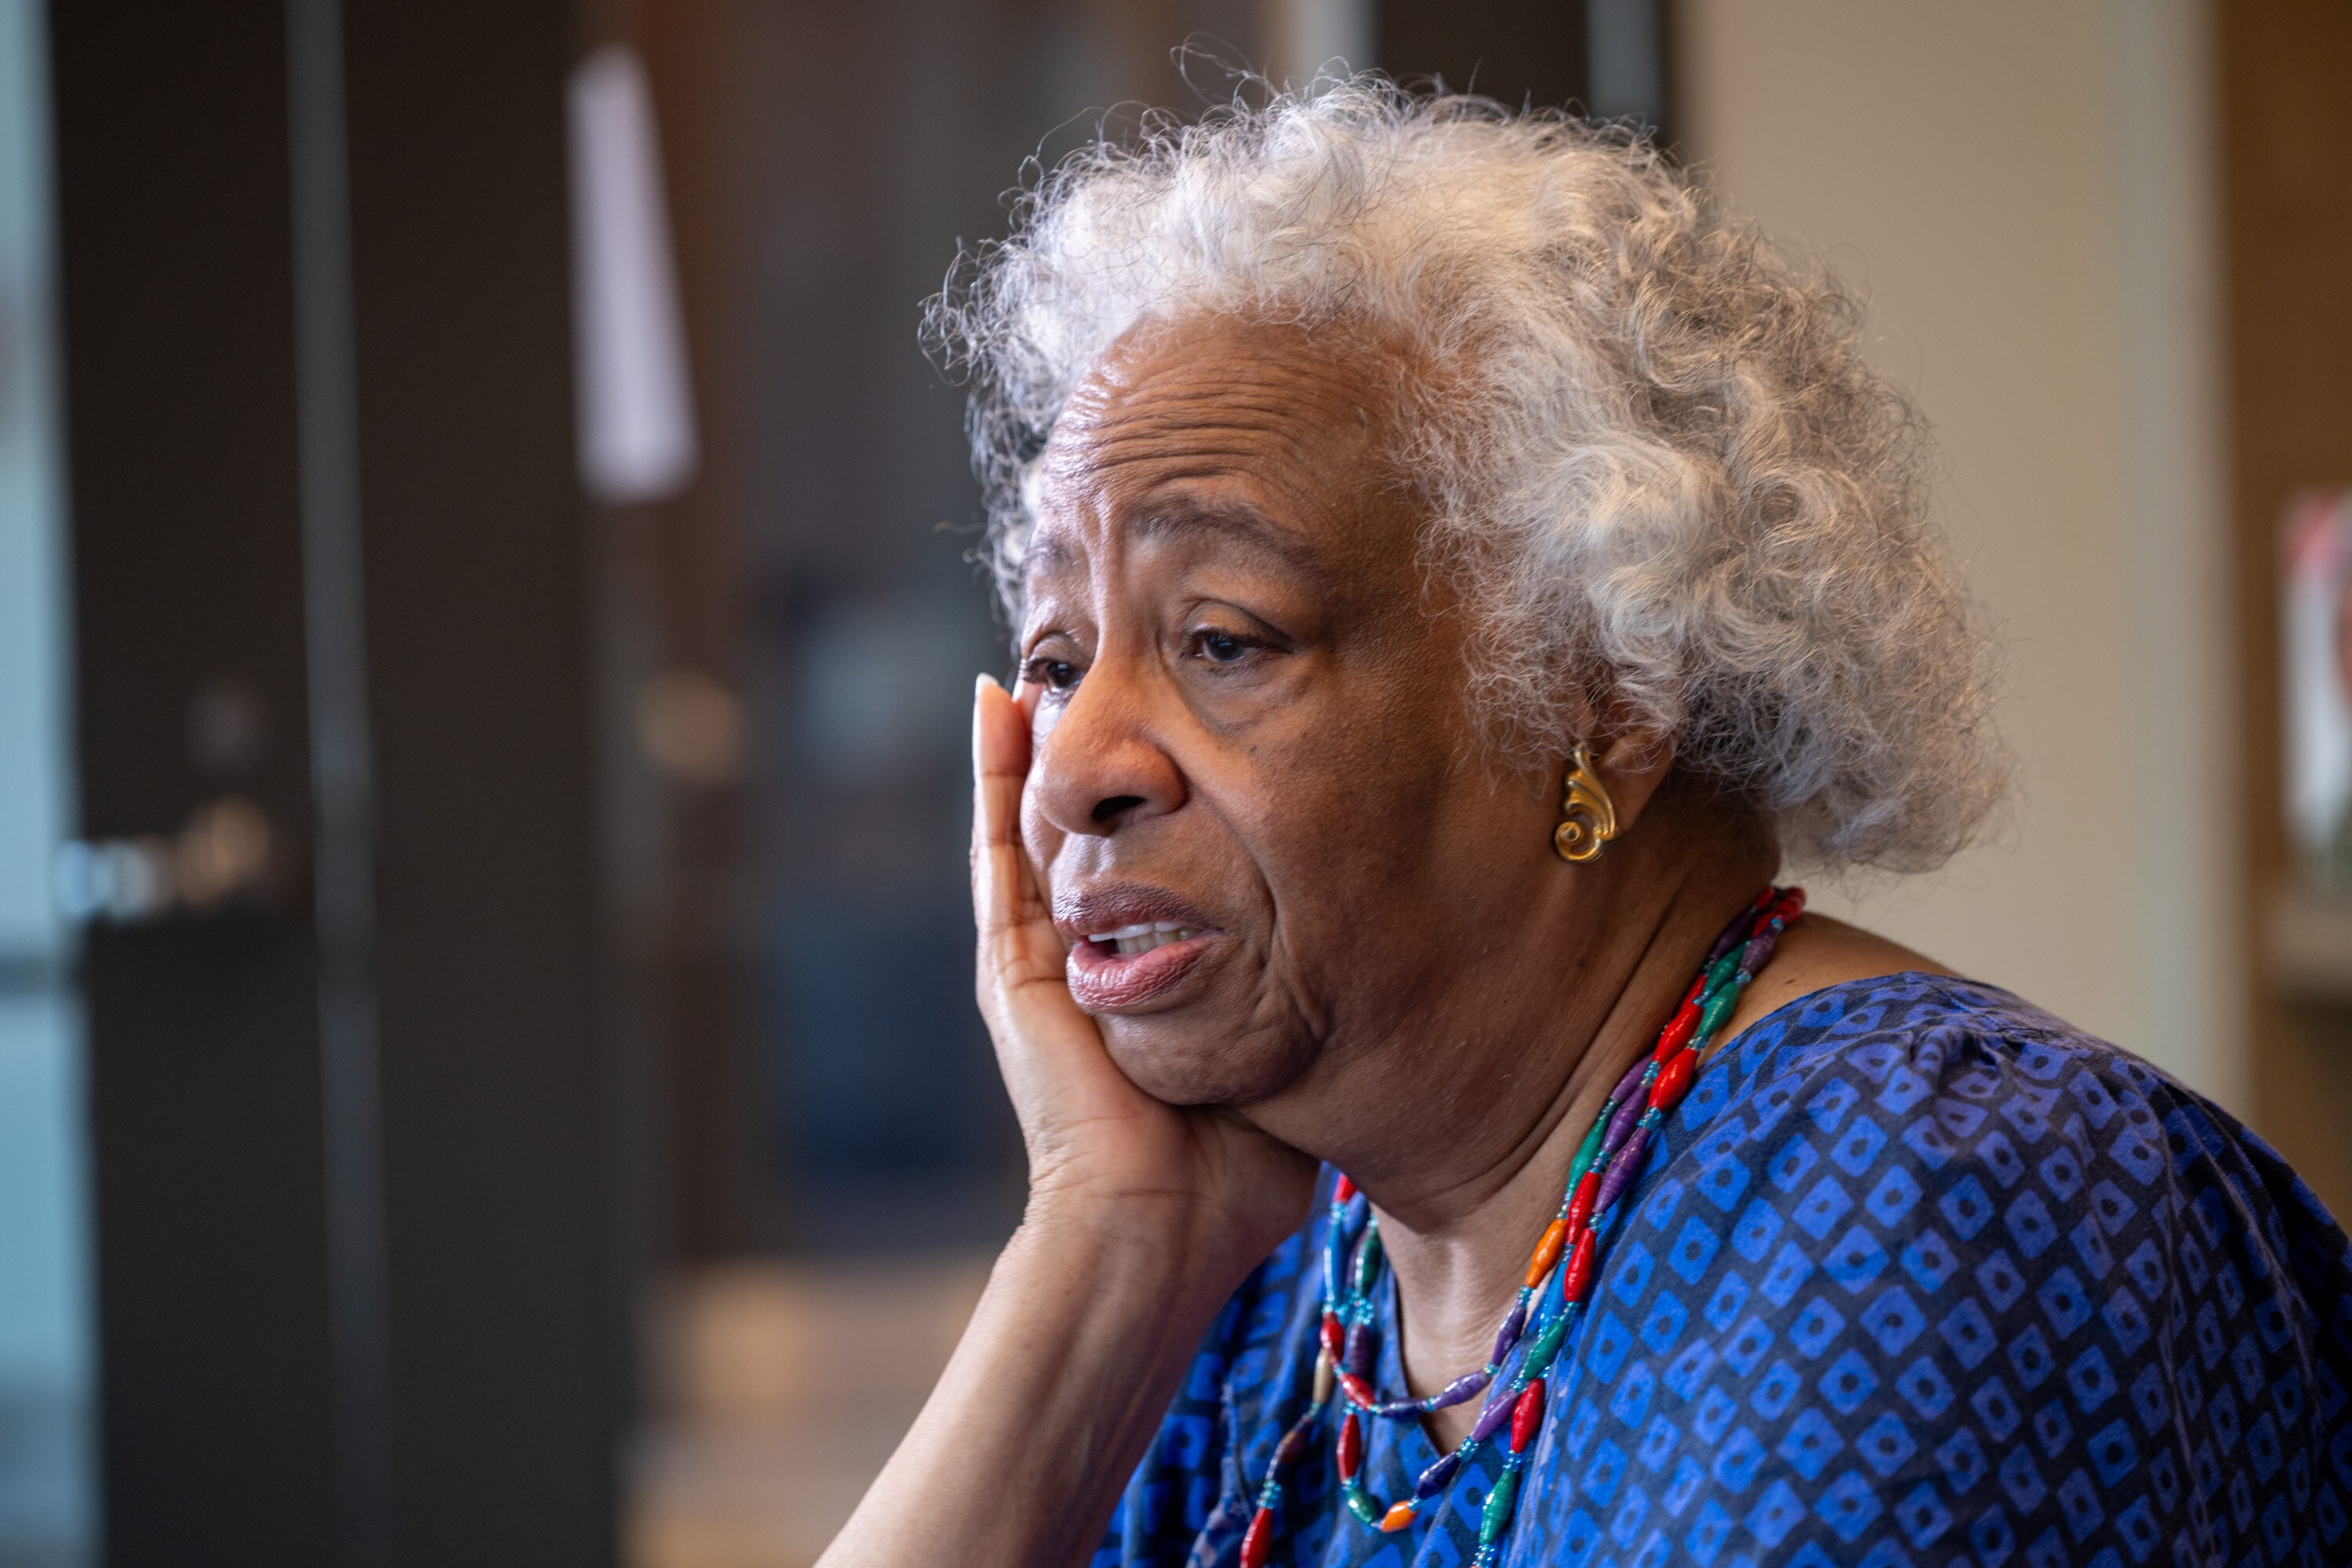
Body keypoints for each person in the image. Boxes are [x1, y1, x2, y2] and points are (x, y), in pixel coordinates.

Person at [822, 82, 2352, 1568]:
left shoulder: (1942, 1210)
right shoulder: (1286, 1278)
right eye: (1052, 658)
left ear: (1603, 706)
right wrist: (1102, 1242)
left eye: (1224, 638)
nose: (1072, 761)